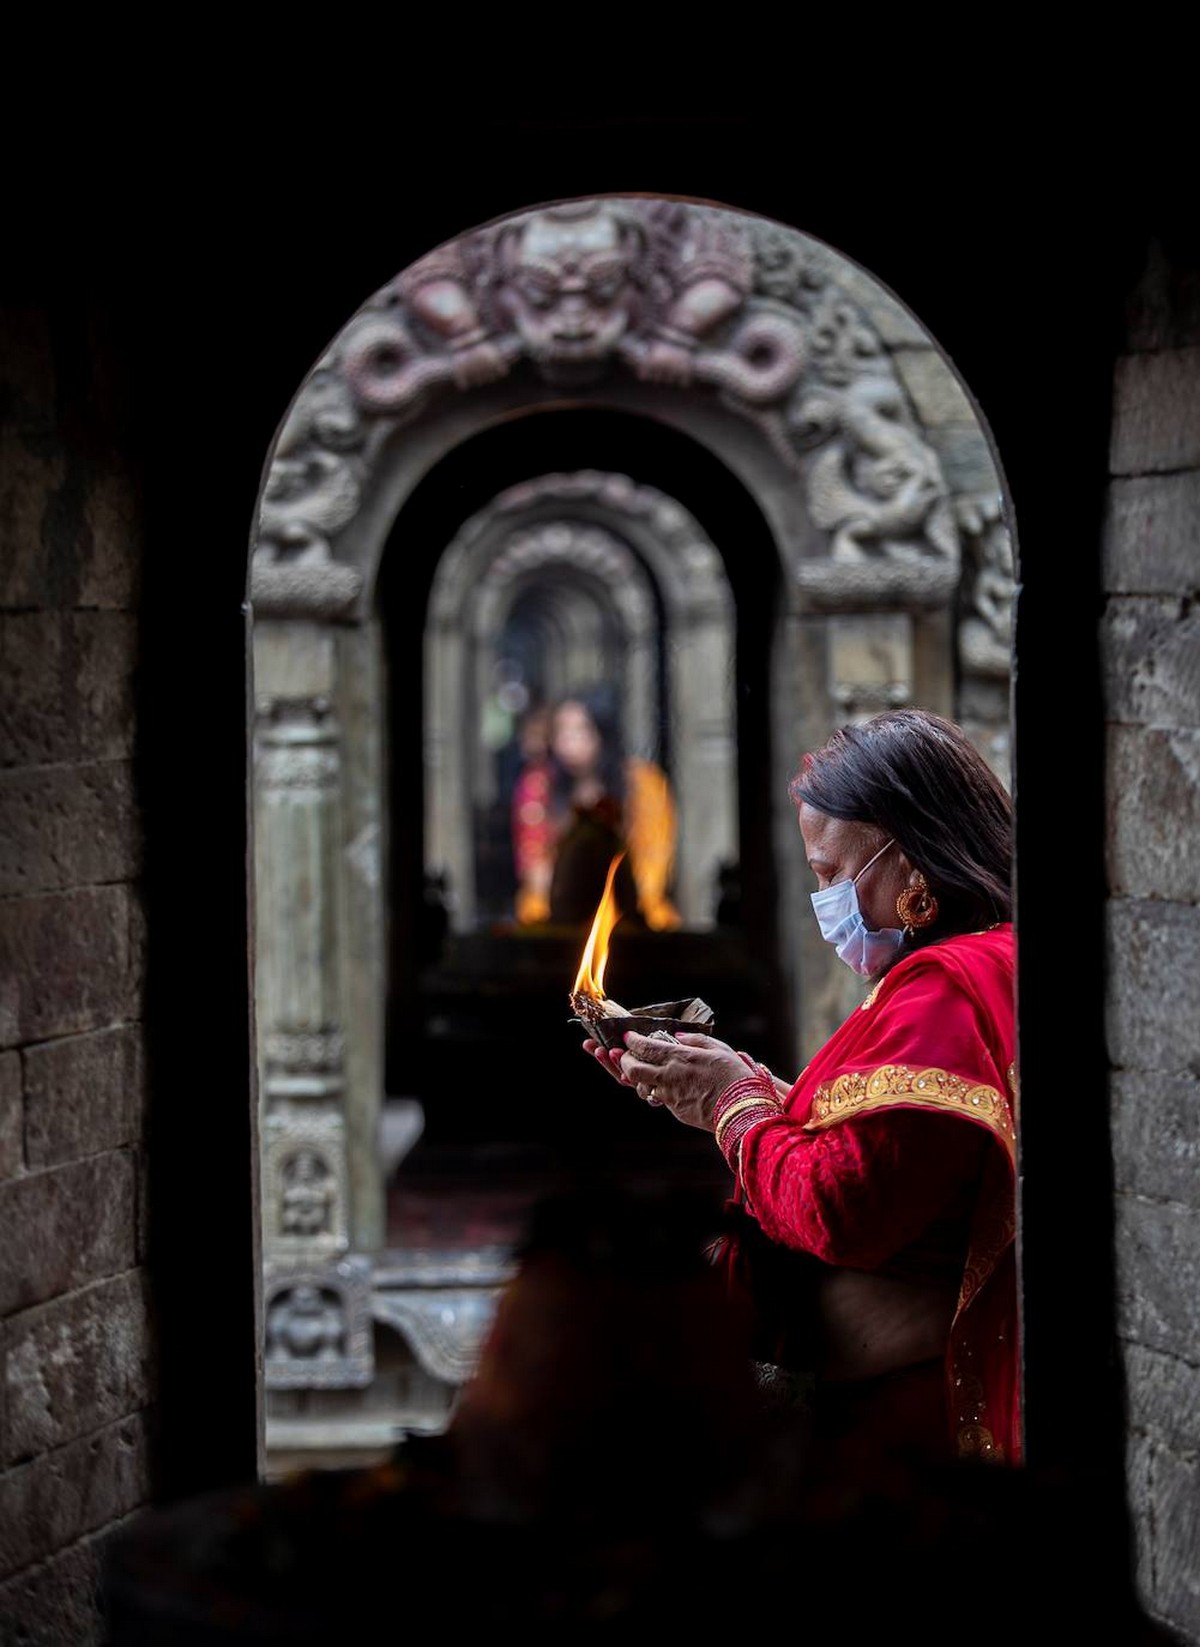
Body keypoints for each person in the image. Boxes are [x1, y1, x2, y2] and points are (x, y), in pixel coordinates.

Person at [584, 706, 1020, 1472]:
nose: (826, 900)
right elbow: (893, 1150)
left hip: (902, 1432)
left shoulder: (947, 986)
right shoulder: (975, 968)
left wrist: (733, 1104)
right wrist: (731, 1087)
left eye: (830, 873)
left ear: (911, 859)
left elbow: (844, 1208)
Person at [512, 685, 681, 930]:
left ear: (602, 731)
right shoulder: (538, 785)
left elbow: (654, 861)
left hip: (628, 907)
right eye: (561, 731)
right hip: (556, 908)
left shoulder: (643, 783)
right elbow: (534, 866)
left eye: (580, 730)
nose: (568, 741)